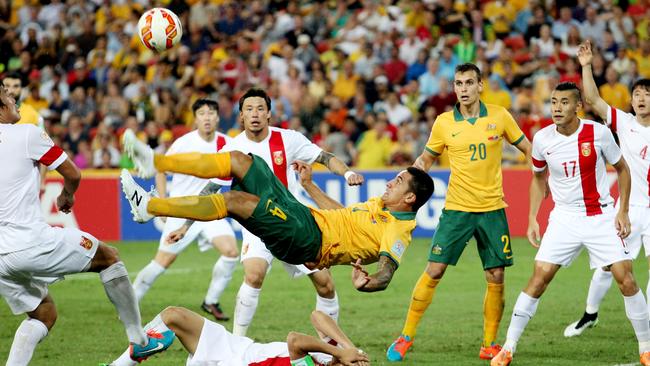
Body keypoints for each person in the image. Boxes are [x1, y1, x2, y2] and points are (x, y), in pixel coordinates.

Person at [119, 130, 434, 293]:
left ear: (409, 199)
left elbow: (387, 272)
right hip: (305, 216)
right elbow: (344, 216)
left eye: (399, 181)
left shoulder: (399, 230)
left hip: (309, 241)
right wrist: (309, 186)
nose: (391, 181)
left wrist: (370, 282)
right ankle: (155, 162)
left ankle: (150, 206)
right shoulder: (379, 205)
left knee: (235, 201)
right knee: (242, 160)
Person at [161, 88, 364, 336]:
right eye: (249, 109)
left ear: (269, 114)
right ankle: (236, 344)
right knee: (254, 275)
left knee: (325, 284)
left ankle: (329, 350)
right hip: (257, 226)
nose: (254, 114)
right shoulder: (232, 149)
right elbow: (212, 189)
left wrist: (348, 173)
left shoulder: (288, 139)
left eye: (260, 109)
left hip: (294, 224)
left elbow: (324, 156)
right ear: (241, 116)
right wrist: (185, 226)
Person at [0, 86, 171, 365]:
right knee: (109, 257)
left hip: (1, 258)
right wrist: (67, 194)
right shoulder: (27, 133)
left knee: (44, 313)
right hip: (29, 241)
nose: (14, 99)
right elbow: (73, 172)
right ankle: (139, 340)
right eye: (8, 94)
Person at [491, 82, 650, 366]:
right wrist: (532, 218)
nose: (557, 107)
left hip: (600, 216)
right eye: (553, 102)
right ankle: (508, 347)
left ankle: (646, 350)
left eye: (564, 102)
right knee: (538, 280)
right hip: (563, 218)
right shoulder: (542, 139)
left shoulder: (598, 133)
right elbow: (539, 179)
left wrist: (622, 210)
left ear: (577, 106)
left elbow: (622, 170)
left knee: (625, 278)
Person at [386, 63, 531, 362]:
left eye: (468, 83)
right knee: (434, 269)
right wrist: (409, 177)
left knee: (496, 274)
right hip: (457, 210)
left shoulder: (499, 116)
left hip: (492, 210)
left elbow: (528, 149)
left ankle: (489, 344)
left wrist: (543, 168)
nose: (463, 89)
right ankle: (406, 336)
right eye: (458, 84)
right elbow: (426, 158)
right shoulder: (443, 123)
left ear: (480, 85)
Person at [561, 41, 650, 337]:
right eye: (637, 94)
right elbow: (593, 99)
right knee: (607, 265)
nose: (641, 99)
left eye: (647, 95)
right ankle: (590, 314)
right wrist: (586, 65)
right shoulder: (623, 123)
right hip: (629, 210)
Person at [131, 99, 239, 321]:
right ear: (195, 118)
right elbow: (160, 169)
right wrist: (163, 201)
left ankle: (211, 301)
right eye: (202, 113)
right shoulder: (183, 143)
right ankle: (130, 302)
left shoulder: (227, 144)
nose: (207, 117)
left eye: (211, 113)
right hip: (183, 209)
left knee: (231, 252)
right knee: (162, 262)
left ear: (218, 117)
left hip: (211, 209)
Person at [103, 308, 369, 366]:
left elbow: (295, 340)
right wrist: (349, 348)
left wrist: (340, 353)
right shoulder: (332, 355)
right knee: (172, 316)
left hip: (233, 362)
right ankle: (128, 358)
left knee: (174, 318)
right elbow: (317, 316)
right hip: (237, 347)